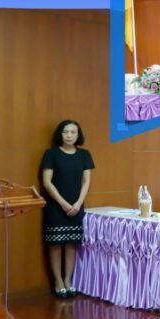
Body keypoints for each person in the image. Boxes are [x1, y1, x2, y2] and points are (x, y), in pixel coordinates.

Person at [40, 120, 95, 299]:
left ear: (78, 135)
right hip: (56, 206)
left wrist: (78, 203)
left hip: (76, 206)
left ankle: (68, 280)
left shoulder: (84, 154)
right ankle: (58, 282)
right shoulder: (51, 154)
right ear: (60, 134)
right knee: (56, 245)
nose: (69, 135)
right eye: (66, 132)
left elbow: (86, 181)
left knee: (71, 244)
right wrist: (63, 203)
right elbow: (47, 182)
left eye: (73, 132)